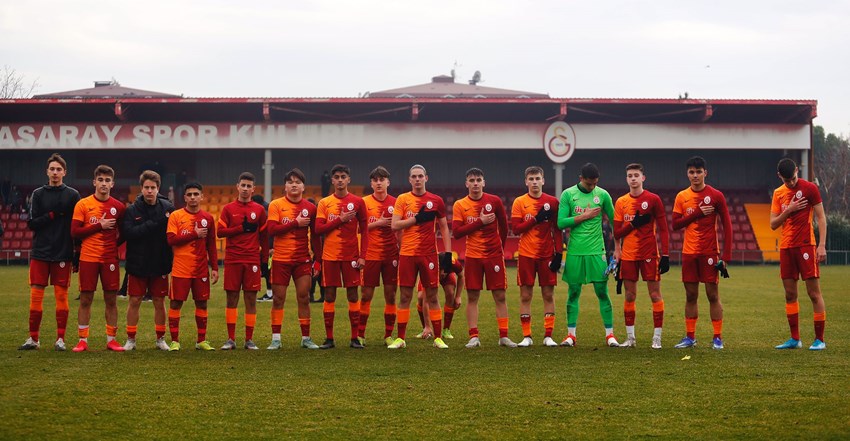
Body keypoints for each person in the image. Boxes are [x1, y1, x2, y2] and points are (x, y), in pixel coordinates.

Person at [19, 153, 80, 351]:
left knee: (61, 297)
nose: (55, 172)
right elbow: (32, 223)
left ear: (65, 172)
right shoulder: (38, 194)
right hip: (40, 252)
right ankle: (33, 339)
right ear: (47, 171)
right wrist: (53, 214)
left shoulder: (72, 195)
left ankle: (60, 339)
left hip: (63, 252)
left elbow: (76, 226)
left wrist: (76, 252)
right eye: (52, 169)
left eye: (58, 169)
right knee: (36, 295)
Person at [388, 164, 452, 349]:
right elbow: (394, 225)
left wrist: (447, 253)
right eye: (414, 176)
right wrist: (416, 219)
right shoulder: (402, 199)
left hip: (429, 255)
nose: (417, 179)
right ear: (409, 179)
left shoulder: (436, 200)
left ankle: (438, 338)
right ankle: (400, 339)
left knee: (432, 296)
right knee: (405, 296)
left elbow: (444, 227)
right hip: (407, 254)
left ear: (426, 178)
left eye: (420, 176)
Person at [556, 163, 620, 347]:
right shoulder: (568, 195)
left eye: (594, 184)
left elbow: (615, 221)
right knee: (573, 291)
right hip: (575, 251)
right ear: (581, 179)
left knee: (602, 291)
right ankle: (571, 335)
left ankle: (610, 335)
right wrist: (584, 216)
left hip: (596, 251)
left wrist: (617, 247)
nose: (592, 187)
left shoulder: (603, 195)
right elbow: (561, 223)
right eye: (589, 184)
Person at [671, 156, 732, 350]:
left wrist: (726, 257)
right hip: (689, 252)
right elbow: (675, 225)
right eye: (691, 172)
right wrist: (697, 212)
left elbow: (728, 226)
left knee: (712, 295)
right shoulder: (682, 197)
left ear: (705, 173)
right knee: (690, 295)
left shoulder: (716, 196)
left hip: (709, 252)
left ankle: (717, 337)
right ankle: (690, 337)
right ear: (687, 174)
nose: (695, 175)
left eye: (698, 172)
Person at [770, 158, 828, 350]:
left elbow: (821, 217)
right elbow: (773, 224)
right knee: (790, 293)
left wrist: (821, 245)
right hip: (787, 248)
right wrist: (790, 210)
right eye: (787, 180)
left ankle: (819, 340)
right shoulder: (778, 194)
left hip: (806, 245)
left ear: (797, 170)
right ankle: (795, 339)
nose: (792, 182)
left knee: (813, 293)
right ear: (780, 177)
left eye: (793, 178)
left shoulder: (810, 188)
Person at [453, 168, 514, 348]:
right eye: (472, 180)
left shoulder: (494, 201)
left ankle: (504, 336)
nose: (475, 183)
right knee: (473, 296)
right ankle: (474, 336)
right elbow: (456, 233)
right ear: (466, 184)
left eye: (479, 180)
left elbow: (504, 227)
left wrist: (500, 249)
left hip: (493, 255)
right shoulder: (460, 205)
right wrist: (480, 221)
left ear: (484, 182)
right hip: (473, 256)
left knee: (500, 296)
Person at [613, 163, 670, 349]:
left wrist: (667, 254)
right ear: (626, 179)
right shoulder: (621, 202)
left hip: (649, 254)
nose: (633, 178)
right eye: (630, 175)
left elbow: (663, 229)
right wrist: (633, 224)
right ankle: (631, 338)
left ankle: (657, 338)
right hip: (629, 256)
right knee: (630, 295)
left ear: (643, 177)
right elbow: (617, 233)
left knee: (655, 295)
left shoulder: (653, 200)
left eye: (636, 175)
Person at [70, 165, 126, 352]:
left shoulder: (118, 207)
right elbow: (75, 232)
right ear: (94, 182)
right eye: (100, 180)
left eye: (107, 180)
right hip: (88, 258)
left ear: (112, 183)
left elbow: (125, 233)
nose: (104, 183)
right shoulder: (83, 204)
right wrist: (99, 226)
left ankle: (112, 340)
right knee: (86, 299)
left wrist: (112, 246)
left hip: (110, 259)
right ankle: (82, 341)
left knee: (111, 300)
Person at [265, 168, 323, 350]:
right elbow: (272, 230)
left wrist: (318, 260)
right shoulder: (275, 205)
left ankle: (306, 338)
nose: (294, 185)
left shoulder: (311, 208)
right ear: (285, 186)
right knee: (278, 298)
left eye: (297, 182)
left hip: (302, 259)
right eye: (290, 182)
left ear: (303, 186)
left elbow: (315, 236)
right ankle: (276, 339)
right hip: (281, 259)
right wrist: (294, 223)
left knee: (304, 297)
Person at [314, 164, 369, 349]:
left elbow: (365, 230)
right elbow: (318, 229)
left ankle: (354, 338)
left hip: (351, 256)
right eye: (336, 176)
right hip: (329, 256)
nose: (339, 180)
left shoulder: (358, 202)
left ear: (348, 179)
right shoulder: (324, 203)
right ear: (332, 180)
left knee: (353, 295)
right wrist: (340, 219)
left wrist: (363, 256)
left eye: (343, 176)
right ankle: (329, 339)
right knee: (329, 296)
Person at [121, 170, 174, 351]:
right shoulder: (131, 210)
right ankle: (131, 339)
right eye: (146, 187)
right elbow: (129, 234)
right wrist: (152, 224)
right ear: (141, 189)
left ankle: (160, 339)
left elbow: (171, 235)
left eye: (153, 188)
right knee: (134, 300)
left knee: (159, 301)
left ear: (158, 189)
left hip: (159, 263)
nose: (149, 191)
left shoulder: (168, 208)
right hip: (138, 263)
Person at [510, 166, 562, 347]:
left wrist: (559, 253)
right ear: (526, 182)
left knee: (548, 294)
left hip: (547, 255)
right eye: (531, 179)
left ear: (543, 180)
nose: (534, 182)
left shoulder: (553, 202)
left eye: (537, 178)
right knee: (526, 295)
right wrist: (536, 219)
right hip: (526, 254)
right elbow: (516, 229)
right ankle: (527, 336)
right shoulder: (519, 202)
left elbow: (557, 229)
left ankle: (548, 336)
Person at [216, 172, 269, 350]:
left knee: (250, 299)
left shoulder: (259, 210)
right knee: (232, 298)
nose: (245, 189)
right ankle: (231, 339)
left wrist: (263, 262)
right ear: (237, 186)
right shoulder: (228, 209)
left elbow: (264, 237)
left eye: (249, 186)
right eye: (243, 185)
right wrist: (240, 228)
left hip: (252, 259)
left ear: (254, 189)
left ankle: (249, 339)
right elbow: (220, 233)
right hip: (233, 259)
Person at [165, 183, 218, 351]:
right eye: (190, 194)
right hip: (181, 267)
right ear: (185, 197)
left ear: (202, 196)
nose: (193, 197)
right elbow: (171, 240)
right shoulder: (176, 216)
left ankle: (201, 340)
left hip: (201, 268)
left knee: (202, 303)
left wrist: (215, 268)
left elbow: (211, 246)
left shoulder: (208, 218)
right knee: (175, 304)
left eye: (196, 194)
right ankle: (174, 341)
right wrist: (194, 234)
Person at [359, 166, 400, 346]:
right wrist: (380, 223)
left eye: (381, 179)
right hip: (371, 254)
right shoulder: (364, 203)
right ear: (371, 183)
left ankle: (388, 335)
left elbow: (402, 228)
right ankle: (360, 334)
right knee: (366, 295)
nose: (378, 183)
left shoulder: (397, 203)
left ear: (388, 182)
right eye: (375, 180)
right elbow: (358, 228)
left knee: (390, 295)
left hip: (391, 254)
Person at [415, 254, 463, 339]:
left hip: (448, 277)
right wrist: (427, 325)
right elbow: (426, 301)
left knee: (450, 293)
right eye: (441, 270)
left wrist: (458, 296)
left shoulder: (452, 261)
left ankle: (446, 330)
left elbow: (461, 276)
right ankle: (426, 329)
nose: (443, 272)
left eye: (445, 270)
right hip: (430, 275)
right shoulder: (430, 266)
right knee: (421, 297)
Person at [252, 194, 273, 302]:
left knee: (268, 271)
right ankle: (270, 293)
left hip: (269, 249)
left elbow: (271, 233)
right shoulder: (265, 210)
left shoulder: (264, 212)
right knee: (265, 271)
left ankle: (271, 294)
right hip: (264, 248)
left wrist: (272, 247)